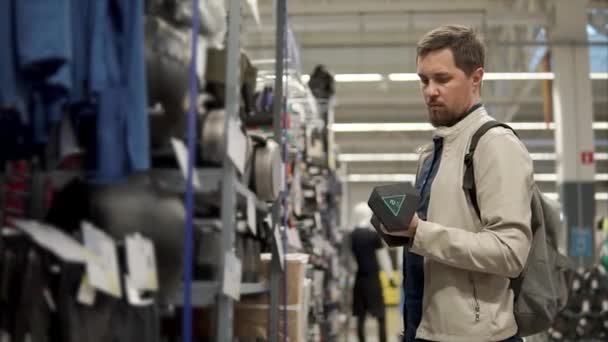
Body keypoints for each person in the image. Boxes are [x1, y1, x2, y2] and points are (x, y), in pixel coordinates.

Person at [379, 25, 534, 342]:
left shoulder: (494, 145)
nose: (429, 91)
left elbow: (511, 252)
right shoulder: (431, 155)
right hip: (426, 329)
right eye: (424, 80)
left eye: (442, 79)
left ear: (476, 78)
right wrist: (399, 231)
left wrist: (418, 232)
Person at [349, 202, 398, 342]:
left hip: (359, 280)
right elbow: (383, 259)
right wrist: (390, 277)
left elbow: (349, 260)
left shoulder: (352, 236)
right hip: (373, 280)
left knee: (360, 316)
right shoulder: (373, 236)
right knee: (381, 316)